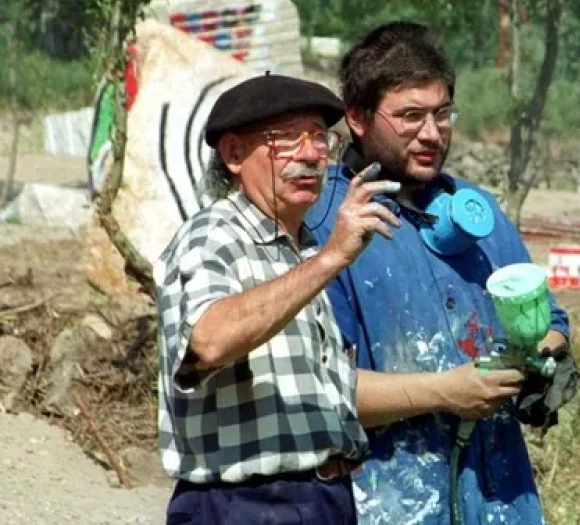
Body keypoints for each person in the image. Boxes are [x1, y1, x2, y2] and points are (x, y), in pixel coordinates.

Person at [302, 21, 577, 525]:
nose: (432, 133)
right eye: (410, 116)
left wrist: (540, 360)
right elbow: (319, 389)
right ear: (358, 118)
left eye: (442, 113)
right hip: (389, 501)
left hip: (503, 500)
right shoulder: (324, 226)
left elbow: (552, 320)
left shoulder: (480, 214)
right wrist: (444, 393)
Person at [153, 72, 404, 525]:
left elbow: (331, 390)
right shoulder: (212, 236)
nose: (310, 155)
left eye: (319, 139)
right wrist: (329, 260)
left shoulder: (301, 249)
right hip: (246, 504)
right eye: (286, 140)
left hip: (323, 500)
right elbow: (208, 339)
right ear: (233, 154)